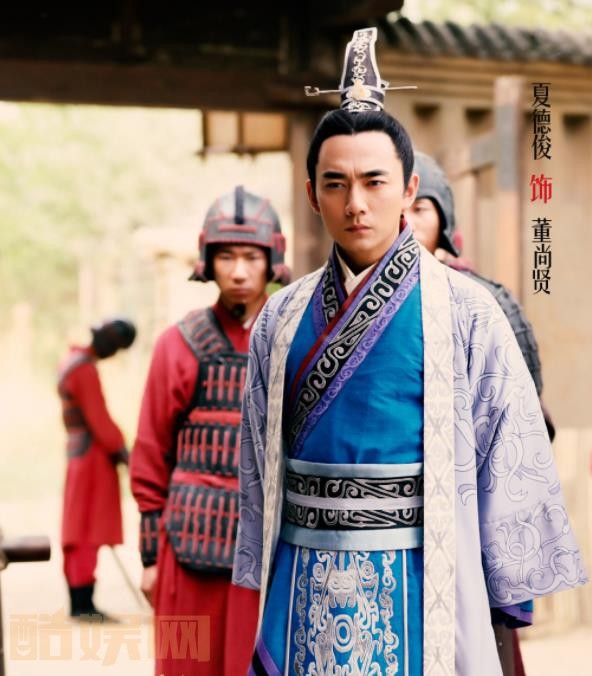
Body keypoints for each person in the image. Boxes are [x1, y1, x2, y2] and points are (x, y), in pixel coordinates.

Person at [232, 28, 586, 675]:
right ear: (311, 194)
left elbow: (507, 440)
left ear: (408, 188)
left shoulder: (466, 309)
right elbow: (257, 460)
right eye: (335, 184)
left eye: (375, 182)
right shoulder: (280, 317)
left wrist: (506, 582)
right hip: (302, 571)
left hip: (422, 573)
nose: (356, 204)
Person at [130, 186, 290, 676]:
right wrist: (151, 557)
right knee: (184, 666)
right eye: (226, 257)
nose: (238, 271)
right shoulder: (177, 345)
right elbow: (151, 452)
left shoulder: (294, 337)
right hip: (187, 548)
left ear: (271, 259)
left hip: (265, 549)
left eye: (251, 257)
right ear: (208, 261)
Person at [405, 150, 553, 676]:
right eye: (399, 207)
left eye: (420, 208)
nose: (407, 221)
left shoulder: (485, 302)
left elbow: (527, 426)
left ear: (444, 218)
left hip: (472, 516)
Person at [58, 317, 136, 619]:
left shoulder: (72, 361)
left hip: (80, 453)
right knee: (86, 530)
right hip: (91, 456)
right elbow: (98, 418)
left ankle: (81, 601)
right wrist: (122, 451)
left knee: (79, 526)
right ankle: (83, 604)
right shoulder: (84, 369)